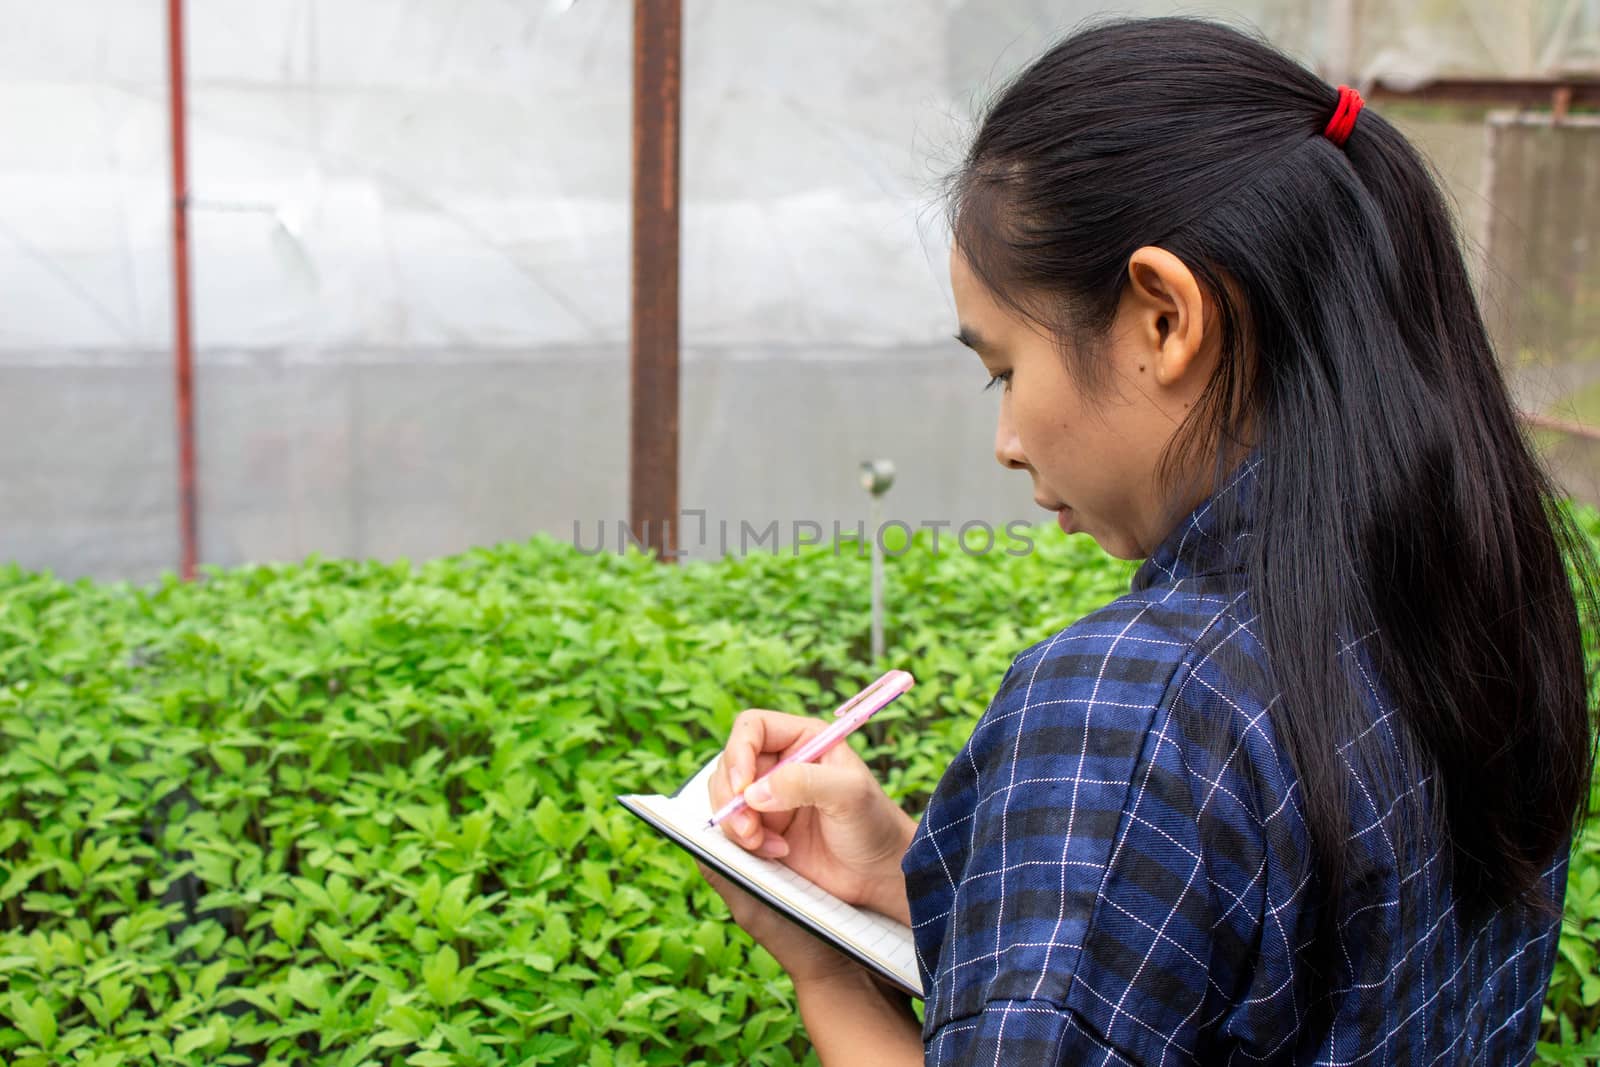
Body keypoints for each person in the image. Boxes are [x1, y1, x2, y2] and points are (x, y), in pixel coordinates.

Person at [696, 16, 1599, 1065]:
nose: (1006, 441)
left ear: (1165, 315)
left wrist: (830, 974)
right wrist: (916, 867)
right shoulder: (1479, 590)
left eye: (1002, 369)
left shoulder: (1133, 705)